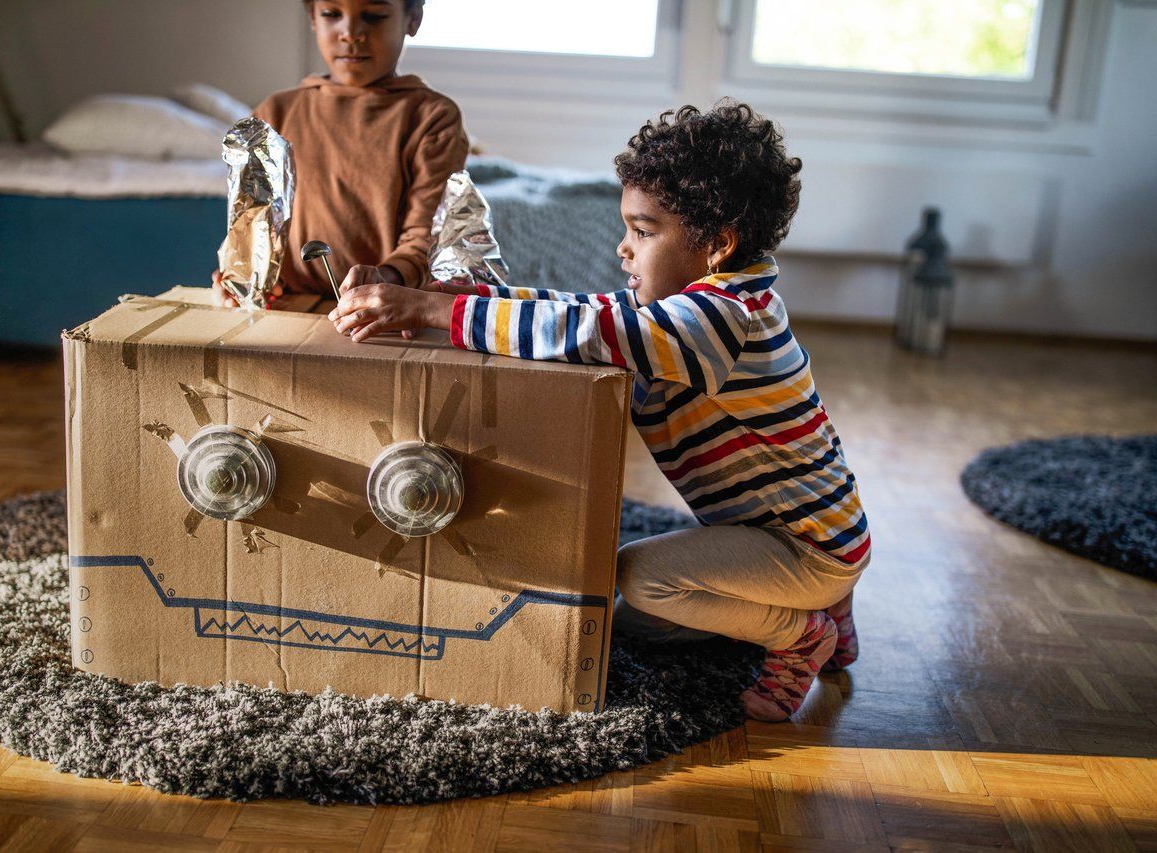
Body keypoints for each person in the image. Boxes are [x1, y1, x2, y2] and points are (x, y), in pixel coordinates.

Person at [327, 101, 871, 722]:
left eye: (643, 231)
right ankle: (832, 605)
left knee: (642, 581)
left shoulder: (717, 321)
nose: (623, 249)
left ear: (717, 245)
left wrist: (430, 314)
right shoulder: (709, 300)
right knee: (638, 622)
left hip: (805, 548)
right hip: (816, 530)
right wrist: (471, 297)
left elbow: (588, 331)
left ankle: (801, 637)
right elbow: (579, 306)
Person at [213, 0, 469, 307]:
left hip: (382, 311)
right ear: (312, 17)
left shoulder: (431, 118)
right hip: (289, 307)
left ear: (412, 19)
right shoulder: (275, 114)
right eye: (332, 14)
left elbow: (426, 239)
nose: (350, 33)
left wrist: (385, 278)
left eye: (374, 16)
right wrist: (239, 275)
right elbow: (252, 229)